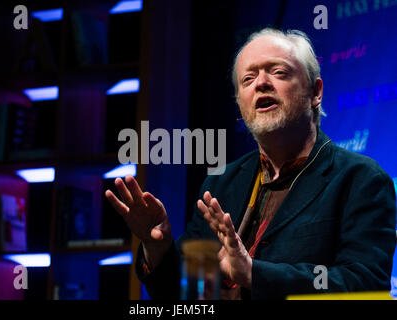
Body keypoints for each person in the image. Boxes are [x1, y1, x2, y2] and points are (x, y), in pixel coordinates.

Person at [105, 28, 396, 300]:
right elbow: (182, 294)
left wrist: (253, 273)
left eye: (279, 72)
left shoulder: (361, 179)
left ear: (315, 92)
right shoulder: (220, 183)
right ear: (239, 103)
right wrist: (158, 245)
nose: (261, 83)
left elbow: (364, 285)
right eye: (248, 79)